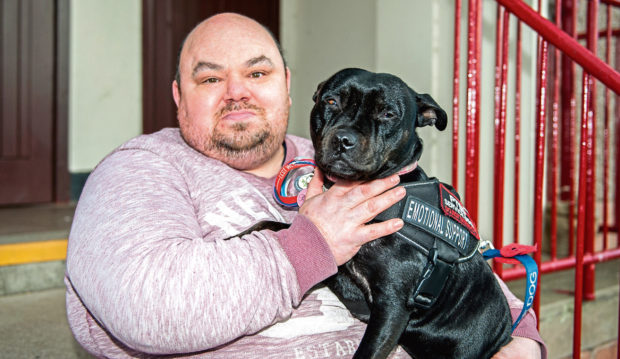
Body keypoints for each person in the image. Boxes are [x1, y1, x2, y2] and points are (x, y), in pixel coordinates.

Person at [65, 12, 546, 359]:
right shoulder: (140, 170)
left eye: (257, 72)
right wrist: (312, 243)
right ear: (178, 95)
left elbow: (465, 273)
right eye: (211, 78)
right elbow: (149, 309)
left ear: (289, 86)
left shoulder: (379, 175)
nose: (237, 91)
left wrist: (521, 341)